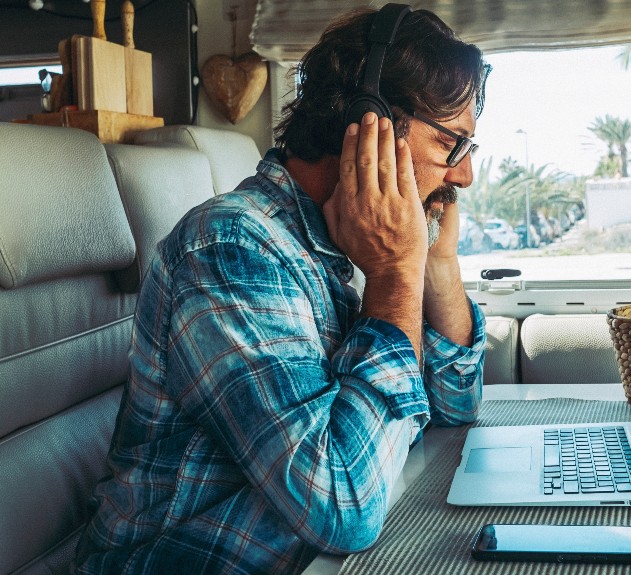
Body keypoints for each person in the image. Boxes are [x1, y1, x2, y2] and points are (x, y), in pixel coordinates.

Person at [75, 5, 490, 574]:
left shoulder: (343, 242)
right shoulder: (232, 249)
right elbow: (342, 507)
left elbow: (456, 407)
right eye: (454, 145)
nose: (465, 175)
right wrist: (394, 276)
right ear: (370, 124)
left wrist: (434, 261)